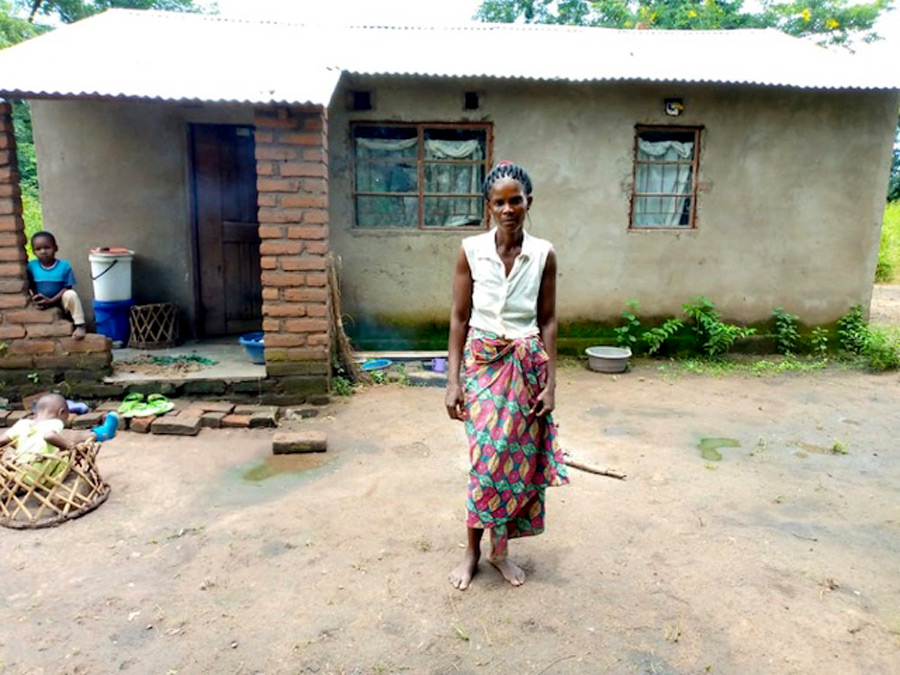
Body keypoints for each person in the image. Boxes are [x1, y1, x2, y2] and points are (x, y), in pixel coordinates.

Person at [446, 161, 569, 591]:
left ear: (528, 202)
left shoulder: (544, 253)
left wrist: (551, 384)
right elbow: (459, 317)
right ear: (489, 207)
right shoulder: (471, 250)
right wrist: (453, 381)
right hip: (482, 363)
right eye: (499, 202)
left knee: (515, 463)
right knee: (486, 459)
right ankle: (471, 551)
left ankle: (501, 552)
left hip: (526, 366)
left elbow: (549, 319)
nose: (508, 209)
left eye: (515, 200)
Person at [0, 393, 118, 487]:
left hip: (21, 475)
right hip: (45, 475)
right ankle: (102, 433)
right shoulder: (54, 422)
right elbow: (49, 436)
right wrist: (70, 448)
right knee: (74, 438)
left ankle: (101, 432)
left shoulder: (22, 423)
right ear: (61, 412)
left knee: (56, 441)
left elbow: (2, 440)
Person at [27, 231, 86, 340]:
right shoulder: (31, 266)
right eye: (38, 249)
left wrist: (51, 301)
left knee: (71, 294)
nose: (43, 252)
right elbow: (30, 285)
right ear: (33, 251)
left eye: (47, 247)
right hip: (41, 300)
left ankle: (80, 325)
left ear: (56, 248)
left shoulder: (64, 266)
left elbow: (67, 287)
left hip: (60, 300)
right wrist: (36, 298)